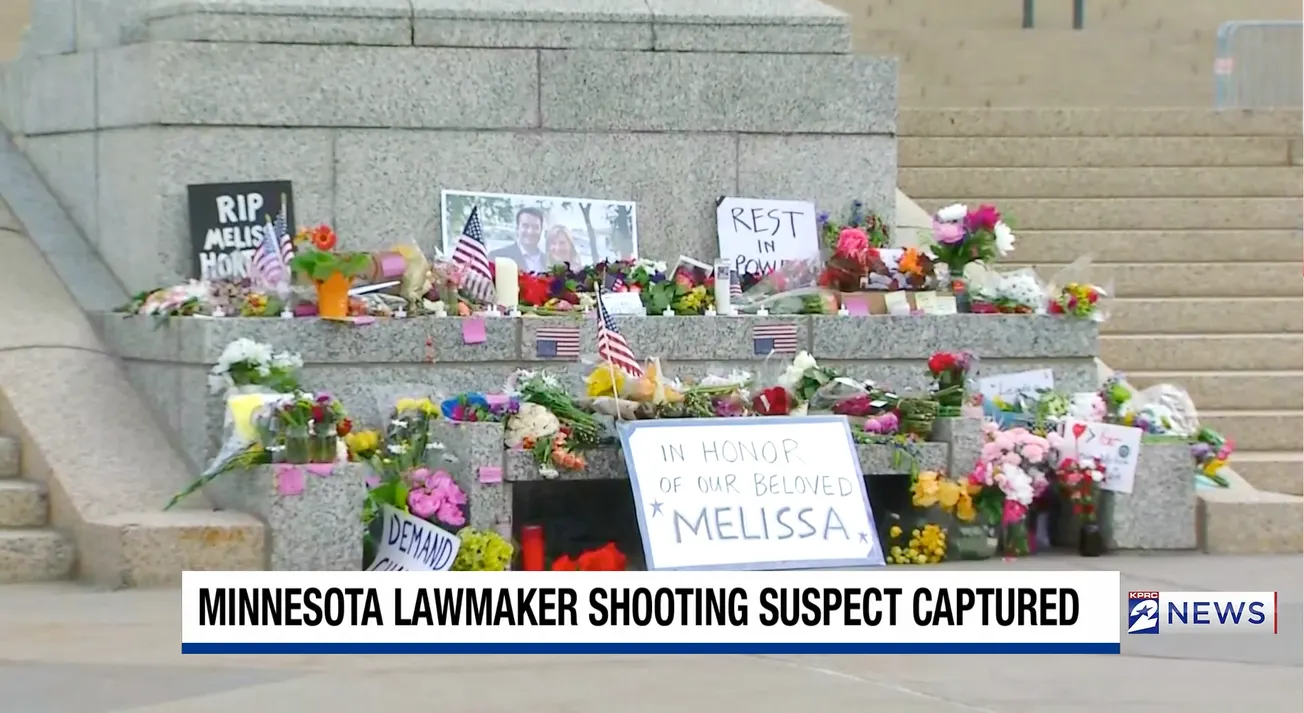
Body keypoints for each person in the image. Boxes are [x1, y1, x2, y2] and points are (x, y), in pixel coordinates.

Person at [490, 207, 547, 273]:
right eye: (525, 226)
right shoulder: (498, 257)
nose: (530, 231)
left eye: (535, 227)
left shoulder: (548, 261)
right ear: (517, 228)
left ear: (541, 230)